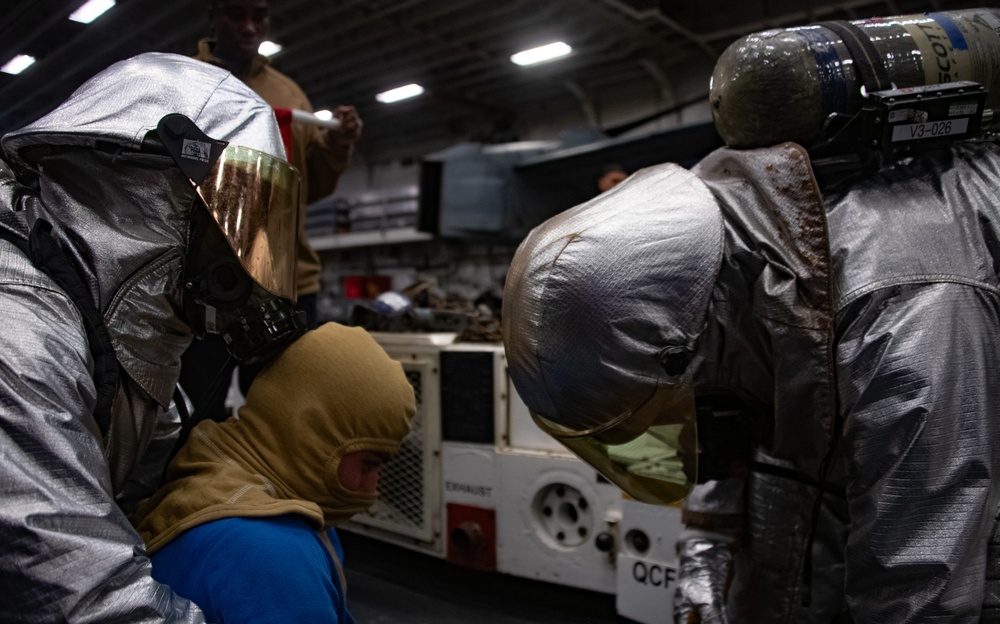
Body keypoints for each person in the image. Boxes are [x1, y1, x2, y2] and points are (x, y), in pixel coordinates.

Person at [501, 29, 1000, 624]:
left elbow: (923, 581)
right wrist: (703, 552)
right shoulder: (727, 247)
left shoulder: (905, 314)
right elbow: (720, 417)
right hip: (805, 552)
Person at [0, 52, 305, 622]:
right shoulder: (18, 341)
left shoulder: (112, 332)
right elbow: (89, 602)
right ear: (149, 196)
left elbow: (162, 464)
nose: (244, 255)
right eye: (233, 217)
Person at [131, 322, 415, 624]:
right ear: (313, 438)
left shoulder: (203, 476)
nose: (373, 487)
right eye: (368, 465)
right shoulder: (277, 556)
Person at [181, 0, 364, 422]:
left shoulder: (288, 94)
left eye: (259, 16)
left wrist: (337, 147)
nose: (249, 26)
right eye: (235, 14)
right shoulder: (186, 80)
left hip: (285, 279)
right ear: (213, 16)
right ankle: (194, 487)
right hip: (203, 281)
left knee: (284, 412)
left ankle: (269, 489)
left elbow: (308, 187)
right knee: (195, 412)